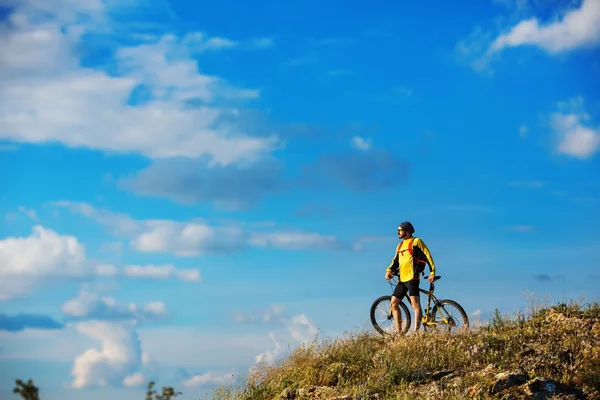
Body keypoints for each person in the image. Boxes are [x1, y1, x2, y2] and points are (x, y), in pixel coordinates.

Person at [385, 221, 436, 333]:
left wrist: (432, 272)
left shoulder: (416, 242)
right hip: (402, 279)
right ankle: (399, 333)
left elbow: (428, 255)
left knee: (415, 305)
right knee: (393, 303)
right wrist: (389, 271)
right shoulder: (399, 246)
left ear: (407, 231)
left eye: (400, 230)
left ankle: (416, 332)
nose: (398, 232)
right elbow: (395, 261)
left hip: (412, 278)